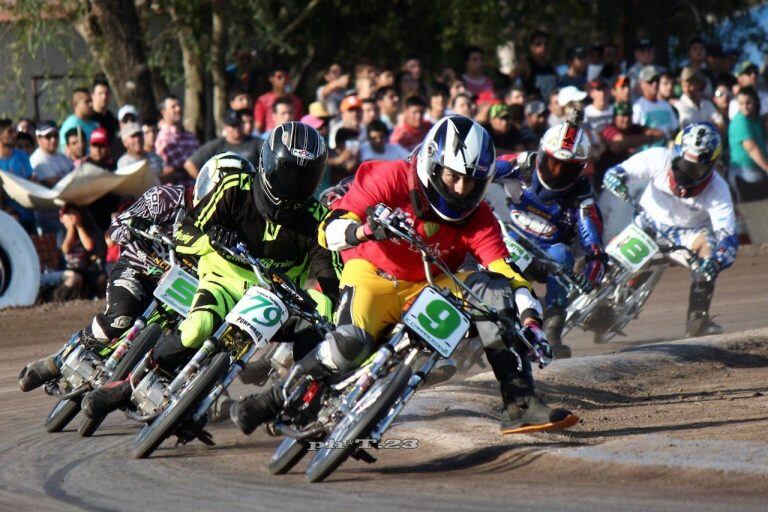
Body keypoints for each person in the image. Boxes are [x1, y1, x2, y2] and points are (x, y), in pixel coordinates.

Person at [231, 115, 579, 436]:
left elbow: (504, 269)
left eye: (472, 182)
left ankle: (519, 401)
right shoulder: (390, 176)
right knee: (348, 344)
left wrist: (530, 320)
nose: (461, 190)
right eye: (453, 176)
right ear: (432, 162)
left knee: (493, 288)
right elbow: (329, 230)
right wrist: (365, 230)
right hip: (372, 273)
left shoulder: (479, 215)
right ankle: (274, 398)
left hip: (431, 285)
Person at [81, 124, 340, 419]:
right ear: (267, 164)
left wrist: (333, 312)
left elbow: (331, 278)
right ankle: (127, 385)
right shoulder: (234, 187)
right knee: (197, 327)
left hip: (277, 298)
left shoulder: (319, 218)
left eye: (304, 178)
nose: (294, 186)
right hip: (223, 280)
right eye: (287, 174)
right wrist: (211, 240)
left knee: (322, 319)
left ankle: (302, 398)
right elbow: (186, 230)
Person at [18, 184, 189, 392]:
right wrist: (134, 229)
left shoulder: (219, 229)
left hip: (177, 294)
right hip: (136, 270)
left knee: (185, 338)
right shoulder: (166, 197)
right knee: (119, 319)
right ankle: (57, 360)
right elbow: (117, 228)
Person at [604, 123, 737, 337]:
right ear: (675, 153)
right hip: (649, 222)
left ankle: (698, 318)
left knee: (708, 248)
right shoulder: (658, 157)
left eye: (695, 168)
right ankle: (599, 294)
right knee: (607, 259)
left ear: (710, 166)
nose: (686, 174)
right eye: (682, 164)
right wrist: (615, 178)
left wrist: (717, 261)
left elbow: (727, 235)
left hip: (688, 235)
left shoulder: (718, 189)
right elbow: (620, 171)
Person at [500, 111, 606, 357]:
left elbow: (595, 250)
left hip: (548, 258)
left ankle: (551, 331)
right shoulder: (520, 164)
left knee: (562, 253)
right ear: (541, 153)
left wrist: (590, 278)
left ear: (580, 169)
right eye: (553, 163)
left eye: (567, 168)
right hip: (508, 239)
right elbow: (480, 171)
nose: (557, 172)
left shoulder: (582, 200)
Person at [184, 109, 260, 178]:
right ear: (225, 126)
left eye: (238, 124)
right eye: (232, 125)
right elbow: (189, 164)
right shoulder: (217, 145)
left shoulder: (255, 143)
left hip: (250, 185)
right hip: (225, 187)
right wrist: (205, 183)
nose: (236, 128)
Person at [727, 86, 768, 202]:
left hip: (758, 171)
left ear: (755, 102)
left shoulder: (756, 119)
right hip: (744, 175)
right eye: (741, 103)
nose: (744, 107)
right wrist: (767, 168)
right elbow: (752, 149)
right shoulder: (740, 121)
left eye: (748, 103)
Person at [154, 95, 200, 182]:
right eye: (173, 107)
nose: (178, 109)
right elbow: (187, 166)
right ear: (163, 112)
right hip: (181, 188)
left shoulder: (189, 135)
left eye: (179, 105)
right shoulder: (164, 139)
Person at [0, 118, 35, 231]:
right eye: (10, 132)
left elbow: (30, 181)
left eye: (14, 131)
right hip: (7, 220)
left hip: (28, 215)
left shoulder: (22, 155)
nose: (15, 134)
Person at [632, 66, 678, 145]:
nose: (655, 84)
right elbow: (634, 132)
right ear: (642, 84)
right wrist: (650, 132)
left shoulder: (666, 105)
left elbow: (675, 128)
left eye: (657, 80)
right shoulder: (638, 107)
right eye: (650, 81)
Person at [254, 67, 304, 133]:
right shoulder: (262, 100)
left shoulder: (296, 101)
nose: (283, 80)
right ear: (271, 79)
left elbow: (301, 122)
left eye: (286, 77)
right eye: (279, 77)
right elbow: (258, 125)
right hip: (269, 135)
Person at [31, 120, 73, 187]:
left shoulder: (62, 156)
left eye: (56, 136)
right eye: (48, 136)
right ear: (38, 139)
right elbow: (57, 185)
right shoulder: (38, 159)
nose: (53, 140)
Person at [59, 88, 98, 154]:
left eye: (91, 101)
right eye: (87, 101)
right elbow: (67, 153)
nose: (91, 104)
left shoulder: (94, 124)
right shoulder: (71, 125)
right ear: (75, 104)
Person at [525, 30, 558, 100]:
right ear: (531, 47)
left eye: (546, 44)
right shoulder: (526, 65)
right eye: (538, 44)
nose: (543, 47)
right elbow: (508, 81)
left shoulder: (551, 66)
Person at [90, 76, 119, 145]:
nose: (104, 97)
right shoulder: (89, 119)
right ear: (92, 96)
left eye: (106, 93)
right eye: (100, 93)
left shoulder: (111, 119)